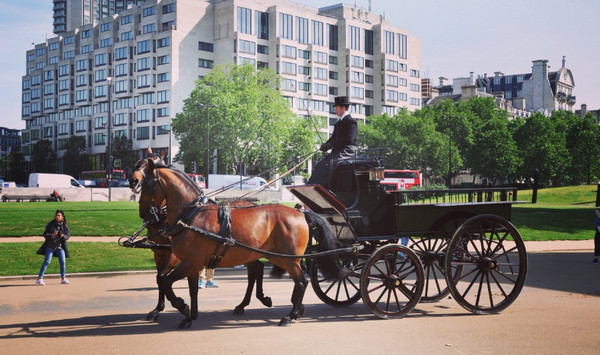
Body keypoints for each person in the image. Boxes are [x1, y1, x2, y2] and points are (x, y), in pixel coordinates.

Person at [307, 96, 358, 188]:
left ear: (343, 108)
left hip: (348, 150)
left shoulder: (351, 122)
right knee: (320, 163)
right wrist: (325, 145)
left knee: (326, 164)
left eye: (336, 108)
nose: (335, 110)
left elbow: (349, 139)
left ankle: (320, 187)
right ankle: (314, 185)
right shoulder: (338, 123)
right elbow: (333, 138)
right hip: (338, 150)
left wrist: (331, 145)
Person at [36, 210, 71, 285]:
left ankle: (63, 278)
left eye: (59, 215)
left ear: (62, 217)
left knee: (63, 262)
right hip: (50, 246)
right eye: (56, 215)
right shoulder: (51, 224)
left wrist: (63, 236)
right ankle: (39, 278)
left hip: (60, 247)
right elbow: (45, 234)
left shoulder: (65, 225)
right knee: (47, 261)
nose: (57, 217)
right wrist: (52, 235)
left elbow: (68, 235)